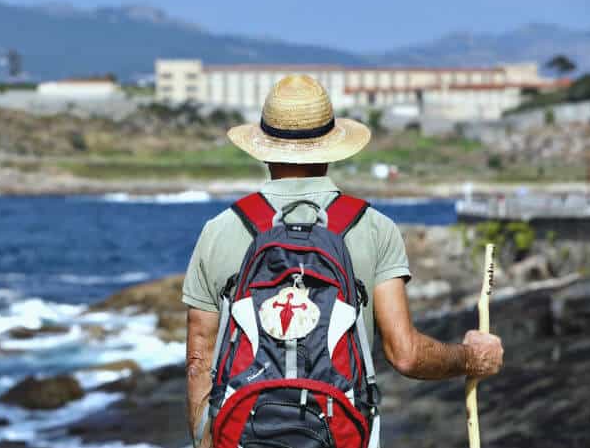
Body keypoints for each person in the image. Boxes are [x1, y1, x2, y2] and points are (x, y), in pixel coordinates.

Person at [183, 75, 504, 447]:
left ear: (263, 148)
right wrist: (471, 358)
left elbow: (199, 357)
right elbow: (407, 355)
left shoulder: (220, 230)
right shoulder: (373, 227)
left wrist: (203, 441)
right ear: (333, 147)